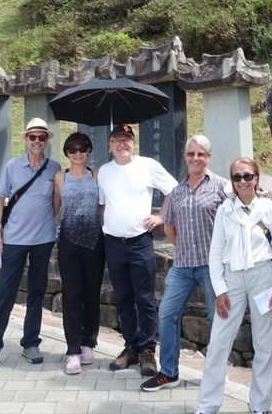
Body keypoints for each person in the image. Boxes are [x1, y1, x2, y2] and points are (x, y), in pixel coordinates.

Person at [194, 158, 272, 414]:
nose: (243, 182)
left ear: (256, 178)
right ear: (232, 182)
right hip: (232, 278)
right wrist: (220, 290)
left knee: (264, 343)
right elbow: (215, 252)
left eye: (248, 176)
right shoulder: (225, 210)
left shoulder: (269, 208)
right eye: (237, 177)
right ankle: (207, 405)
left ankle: (260, 405)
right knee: (218, 343)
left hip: (263, 276)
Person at [0, 117, 60, 373]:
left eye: (42, 137)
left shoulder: (55, 168)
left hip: (43, 239)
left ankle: (31, 342)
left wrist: (43, 222)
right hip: (15, 240)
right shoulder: (12, 166)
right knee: (5, 292)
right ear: (25, 139)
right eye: (33, 137)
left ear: (47, 140)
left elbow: (55, 202)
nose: (37, 141)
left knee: (37, 292)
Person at [142, 134, 228, 393]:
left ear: (209, 157)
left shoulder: (222, 187)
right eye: (191, 154)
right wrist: (186, 248)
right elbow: (168, 227)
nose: (196, 158)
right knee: (167, 314)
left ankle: (216, 374)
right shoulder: (177, 191)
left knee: (218, 319)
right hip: (182, 265)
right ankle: (168, 372)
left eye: (201, 154)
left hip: (213, 268)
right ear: (185, 157)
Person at [98, 123, 178, 378]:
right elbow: (102, 205)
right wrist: (108, 225)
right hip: (113, 243)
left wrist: (161, 216)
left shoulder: (147, 166)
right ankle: (130, 346)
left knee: (144, 298)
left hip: (140, 242)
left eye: (127, 140)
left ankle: (147, 350)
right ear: (110, 146)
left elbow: (173, 190)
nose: (123, 145)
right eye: (117, 141)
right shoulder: (104, 172)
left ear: (134, 143)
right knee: (123, 298)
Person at [53, 131, 106, 375]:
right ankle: (72, 349)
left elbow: (103, 208)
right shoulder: (60, 178)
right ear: (66, 153)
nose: (77, 153)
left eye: (82, 149)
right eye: (72, 149)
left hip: (94, 241)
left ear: (89, 151)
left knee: (92, 294)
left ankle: (88, 342)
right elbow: (55, 209)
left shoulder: (96, 175)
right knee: (72, 296)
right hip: (69, 242)